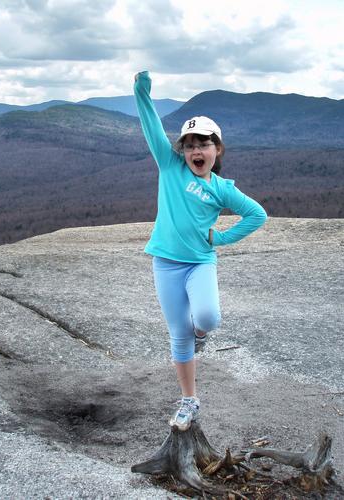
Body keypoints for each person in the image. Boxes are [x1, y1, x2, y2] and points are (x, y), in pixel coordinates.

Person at [134, 70, 267, 431]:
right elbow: (151, 129)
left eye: (204, 144)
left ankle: (201, 336)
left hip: (200, 263)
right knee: (178, 334)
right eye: (190, 144)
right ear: (183, 150)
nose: (196, 150)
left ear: (217, 149)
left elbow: (257, 214)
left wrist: (220, 239)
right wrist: (141, 93)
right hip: (166, 263)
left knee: (207, 318)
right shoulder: (170, 166)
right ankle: (189, 400)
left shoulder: (223, 188)